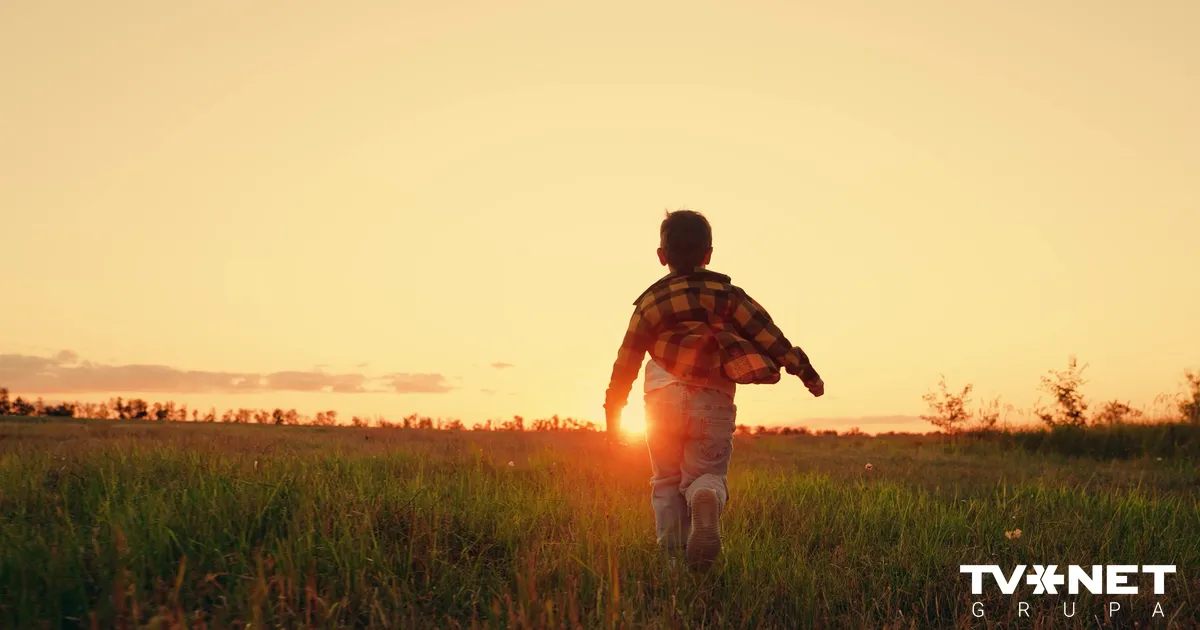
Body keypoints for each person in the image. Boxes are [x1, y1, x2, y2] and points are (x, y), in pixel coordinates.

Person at [603, 209, 824, 571]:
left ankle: (674, 564)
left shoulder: (650, 303)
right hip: (713, 400)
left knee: (666, 481)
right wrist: (805, 372)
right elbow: (770, 336)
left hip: (661, 402)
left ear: (662, 257)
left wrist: (613, 415)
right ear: (709, 254)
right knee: (707, 473)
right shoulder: (728, 296)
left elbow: (625, 362)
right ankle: (705, 493)